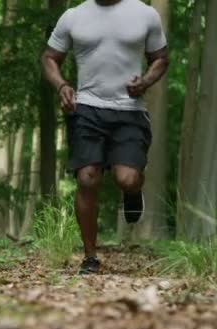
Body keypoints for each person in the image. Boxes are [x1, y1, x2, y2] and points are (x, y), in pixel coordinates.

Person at [40, 0, 169, 274]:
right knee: (87, 178)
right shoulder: (73, 16)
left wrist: (145, 82)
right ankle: (90, 257)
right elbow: (49, 57)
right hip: (86, 108)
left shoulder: (144, 14)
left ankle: (133, 192)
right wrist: (62, 85)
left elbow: (161, 57)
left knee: (127, 178)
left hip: (130, 111)